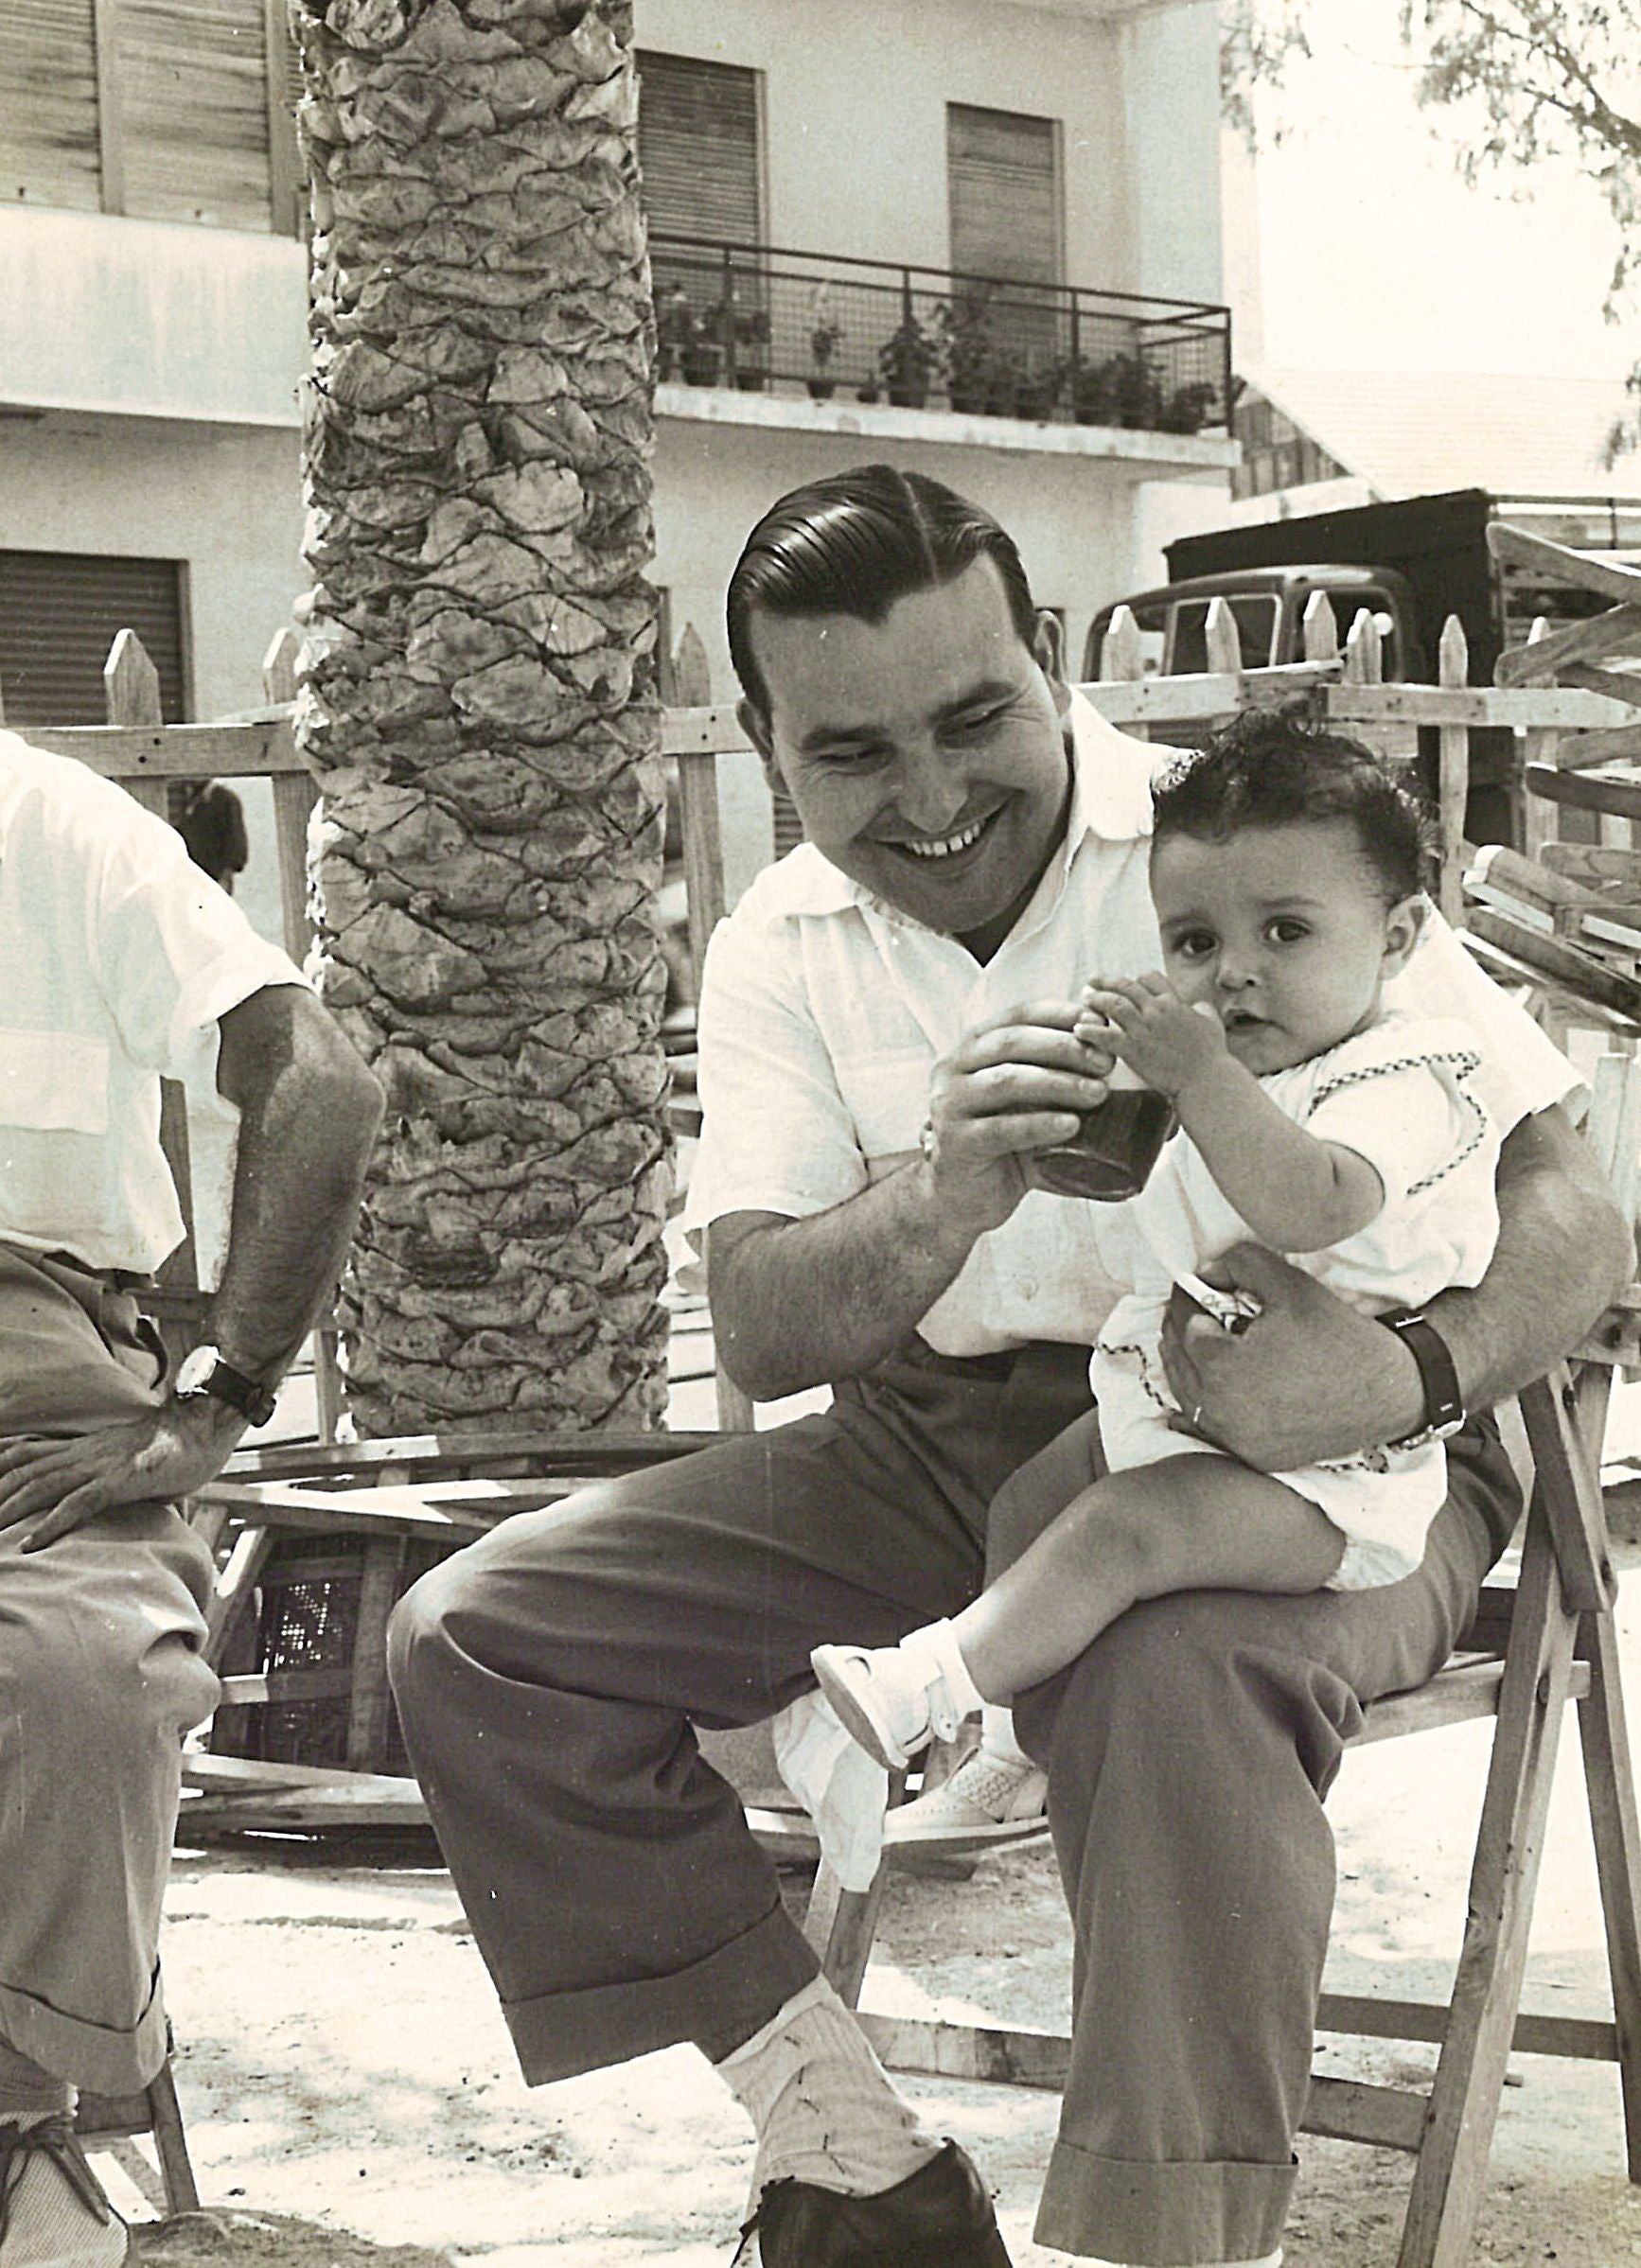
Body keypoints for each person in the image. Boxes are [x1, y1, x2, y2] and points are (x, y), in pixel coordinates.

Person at [386, 466, 1630, 2268]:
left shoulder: (1233, 852)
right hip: (939, 1437)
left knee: (1174, 1658)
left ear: (1049, 660)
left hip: (1317, 1441)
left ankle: (1169, 2243)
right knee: (480, 1639)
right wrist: (937, 1201)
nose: (933, 797)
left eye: (974, 719)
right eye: (853, 755)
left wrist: (1408, 1372)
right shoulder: (775, 945)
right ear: (761, 746)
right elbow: (759, 1322)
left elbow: (1566, 1193)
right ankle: (855, 2157)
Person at [811, 715, 1504, 1780]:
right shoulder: (1250, 1070)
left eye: (1286, 933)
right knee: (1034, 1505)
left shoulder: (1410, 1075)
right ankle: (1011, 1756)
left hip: (1329, 1474)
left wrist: (1198, 1079)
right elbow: (1160, 1199)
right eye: (1195, 943)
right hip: (1178, 1406)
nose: (1234, 975)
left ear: (1400, 937)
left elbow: (1313, 1203)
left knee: (1120, 1532)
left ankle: (927, 1689)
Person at [0, 729, 382, 2264]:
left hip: (27, 1350)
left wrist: (217, 1393)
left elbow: (320, 1081)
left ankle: (22, 2131)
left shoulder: (44, 824)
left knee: (85, 1668)